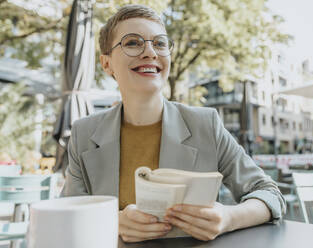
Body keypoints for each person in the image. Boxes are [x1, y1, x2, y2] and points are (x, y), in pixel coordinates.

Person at [61, 4, 285, 243]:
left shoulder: (205, 124)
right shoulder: (84, 133)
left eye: (159, 43)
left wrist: (228, 217)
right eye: (133, 43)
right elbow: (67, 212)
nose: (150, 52)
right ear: (106, 64)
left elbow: (270, 194)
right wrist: (111, 220)